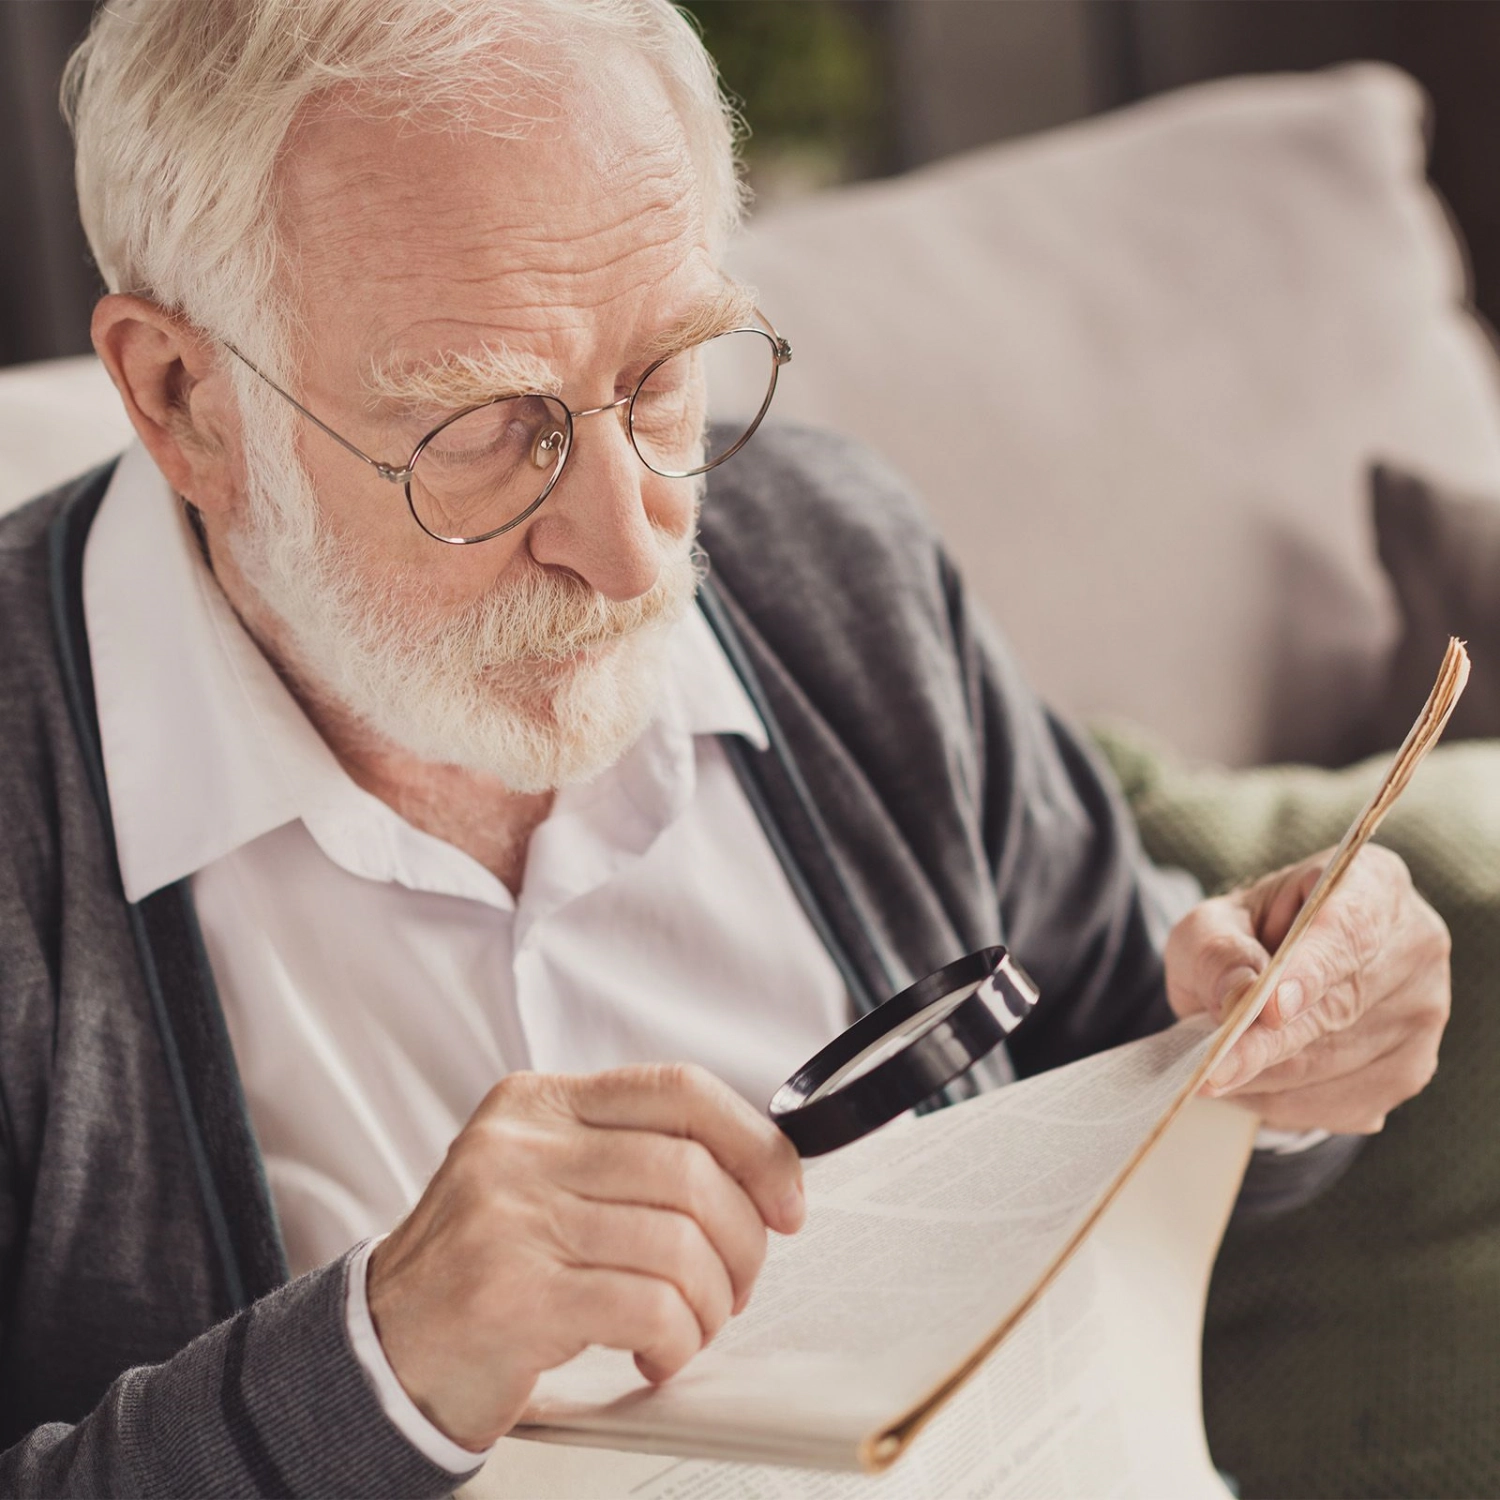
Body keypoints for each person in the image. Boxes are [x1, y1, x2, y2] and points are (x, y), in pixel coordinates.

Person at [0, 0, 1451, 1493]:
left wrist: (1287, 1060)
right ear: (183, 399)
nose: (636, 555)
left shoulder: (837, 565)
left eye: (669, 372)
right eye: (486, 427)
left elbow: (1123, 1045)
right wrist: (372, 1364)